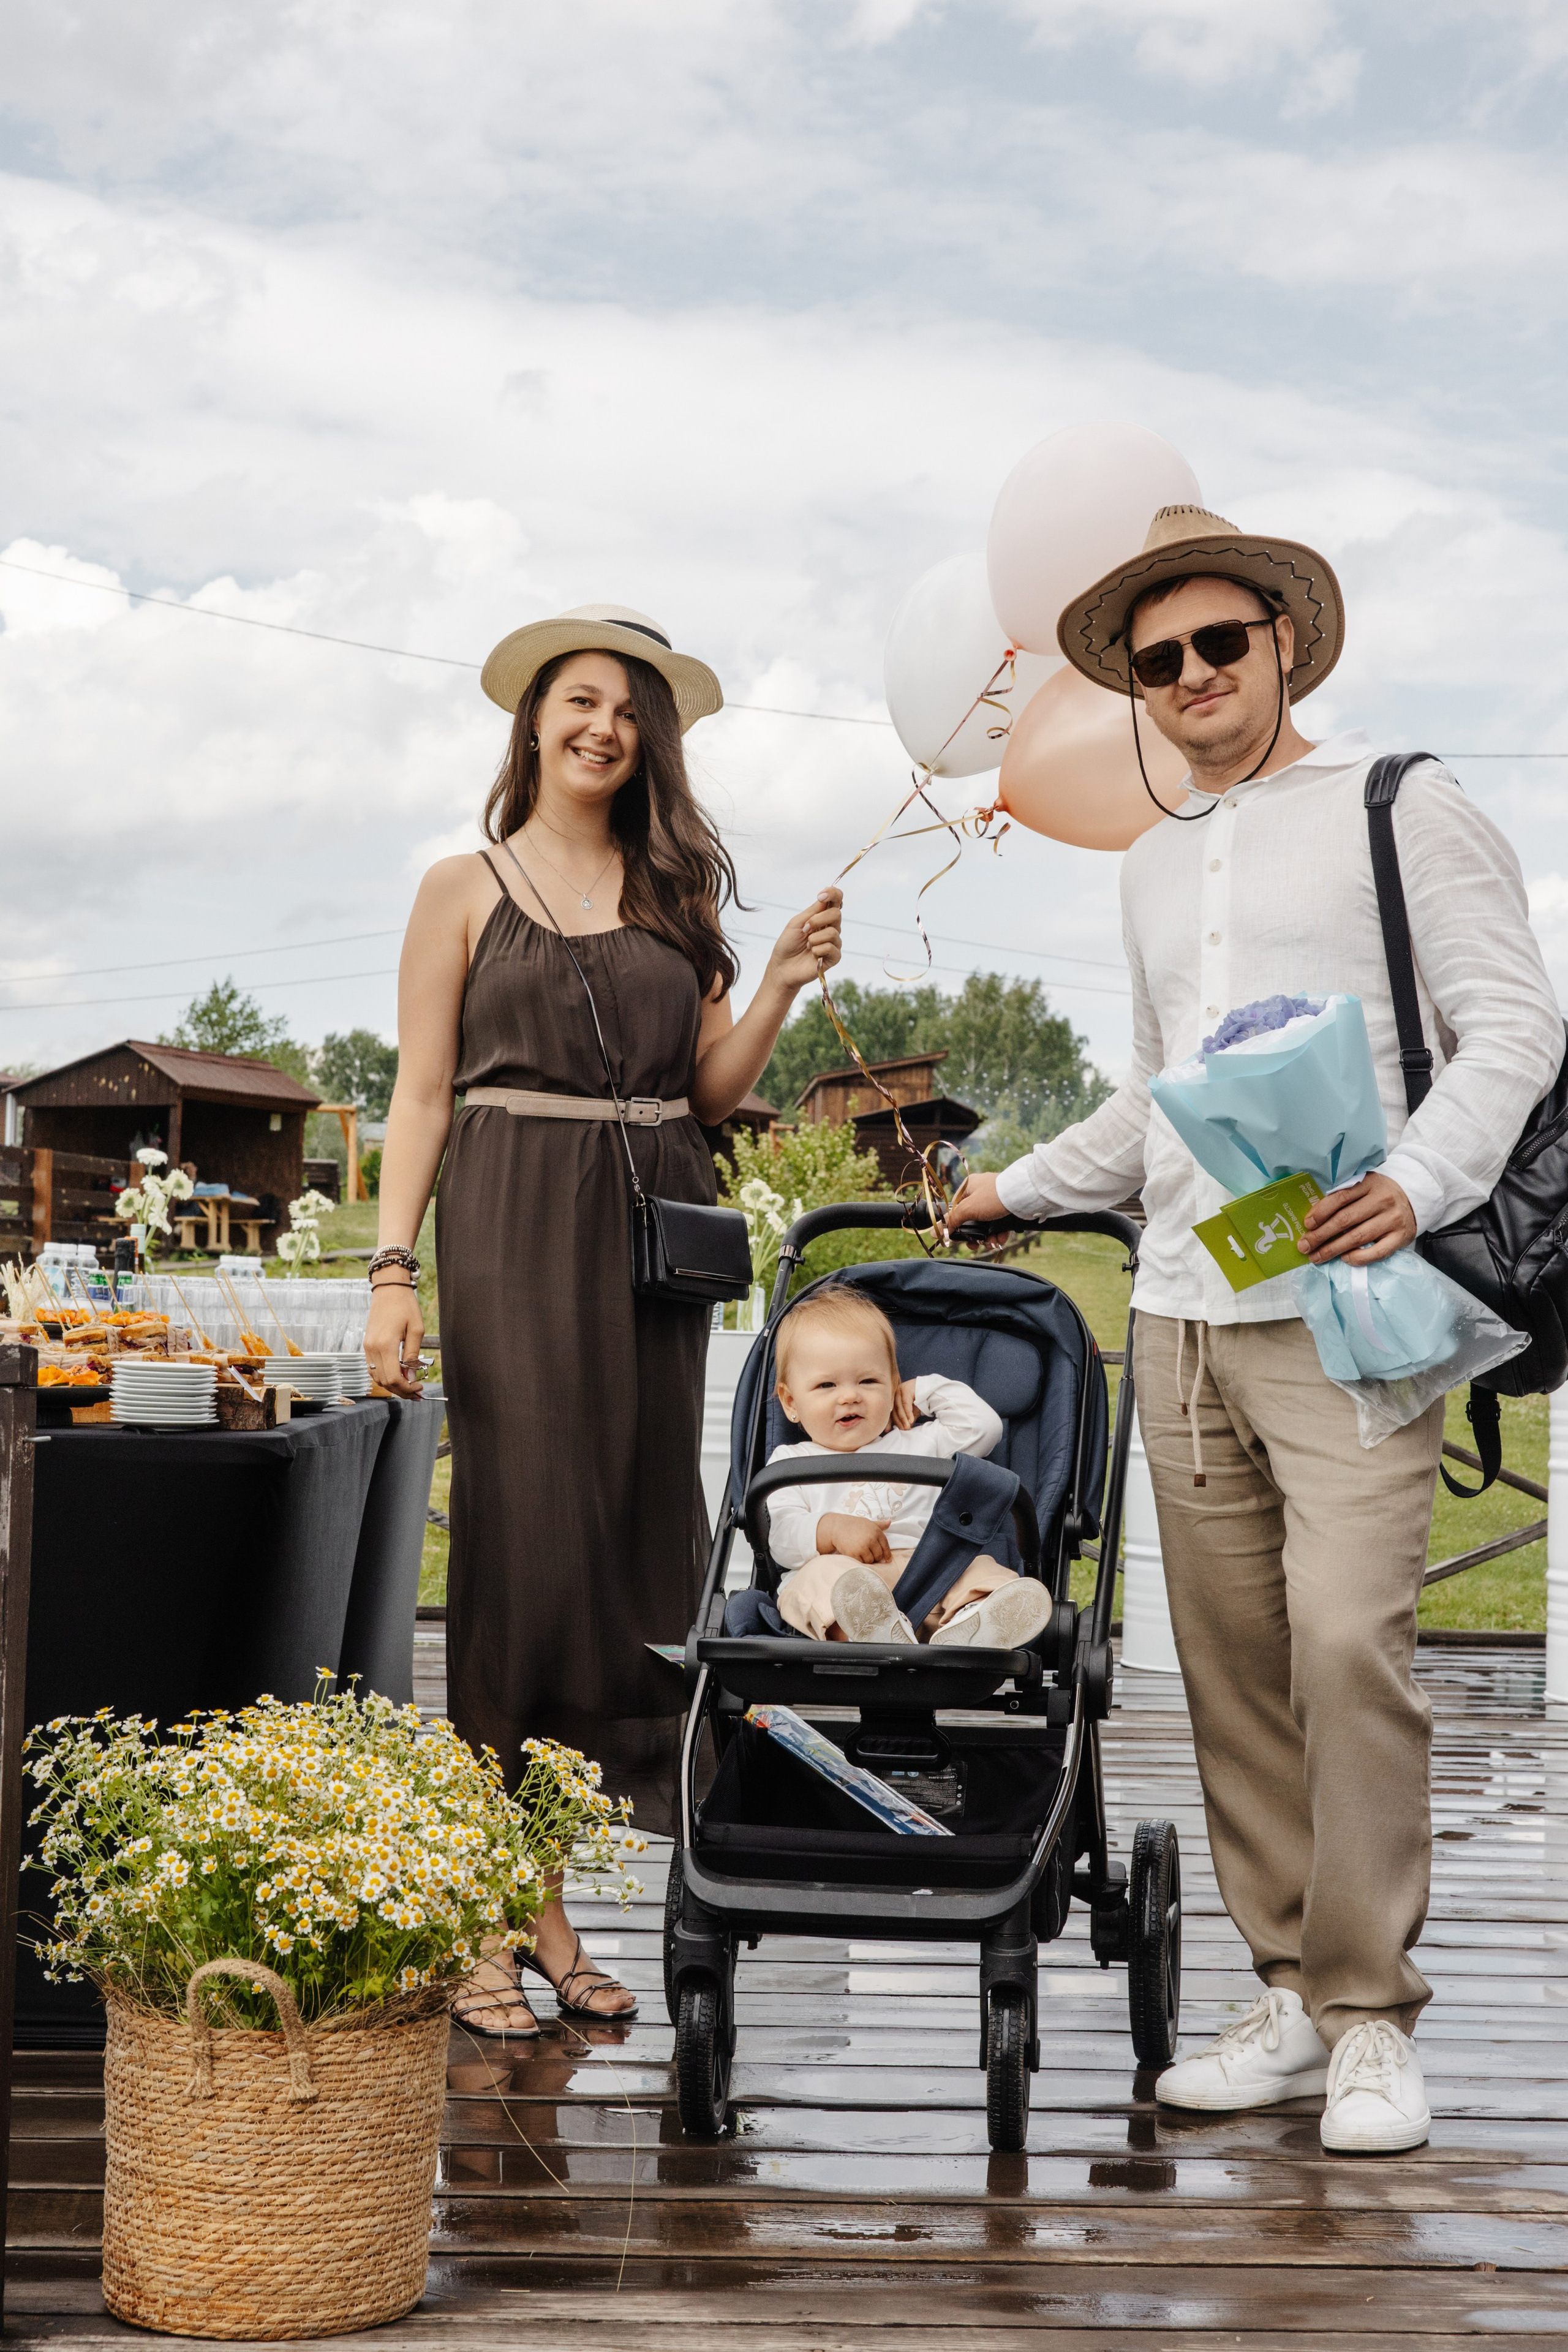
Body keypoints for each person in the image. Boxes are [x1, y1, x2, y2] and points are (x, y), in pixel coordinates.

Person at [947, 507, 1561, 2154]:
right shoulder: (1152, 861)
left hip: (1350, 1310)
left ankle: (1373, 2017)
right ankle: (1289, 1992)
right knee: (1230, 1675)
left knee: (1351, 1644)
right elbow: (1158, 1104)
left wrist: (1421, 1183)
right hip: (1179, 1311)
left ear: (1286, 642)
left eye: (1224, 642)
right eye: (1162, 660)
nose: (1197, 673)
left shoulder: (1402, 805)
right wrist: (1003, 1185)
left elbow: (1514, 1022)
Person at [364, 603, 843, 2037]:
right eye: (579, 699)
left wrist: (775, 987)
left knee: (631, 1552)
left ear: (651, 741)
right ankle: (487, 1917)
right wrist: (392, 1267)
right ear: (532, 720)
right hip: (509, 1222)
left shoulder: (672, 895)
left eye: (629, 710)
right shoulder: (460, 884)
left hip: (648, 1245)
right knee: (524, 1552)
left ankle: (542, 1898)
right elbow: (421, 1094)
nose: (602, 725)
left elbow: (705, 1092)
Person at [730, 1286, 1054, 1650]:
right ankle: (869, 1630)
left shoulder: (919, 1442)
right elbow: (782, 1540)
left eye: (869, 1381)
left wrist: (923, 1391)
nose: (850, 1396)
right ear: (791, 1402)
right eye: (826, 1385)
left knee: (979, 1570)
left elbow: (984, 1427)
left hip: (929, 1575)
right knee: (815, 1581)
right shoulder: (790, 1462)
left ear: (893, 1385)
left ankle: (972, 1624)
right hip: (847, 1580)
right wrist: (831, 1529)